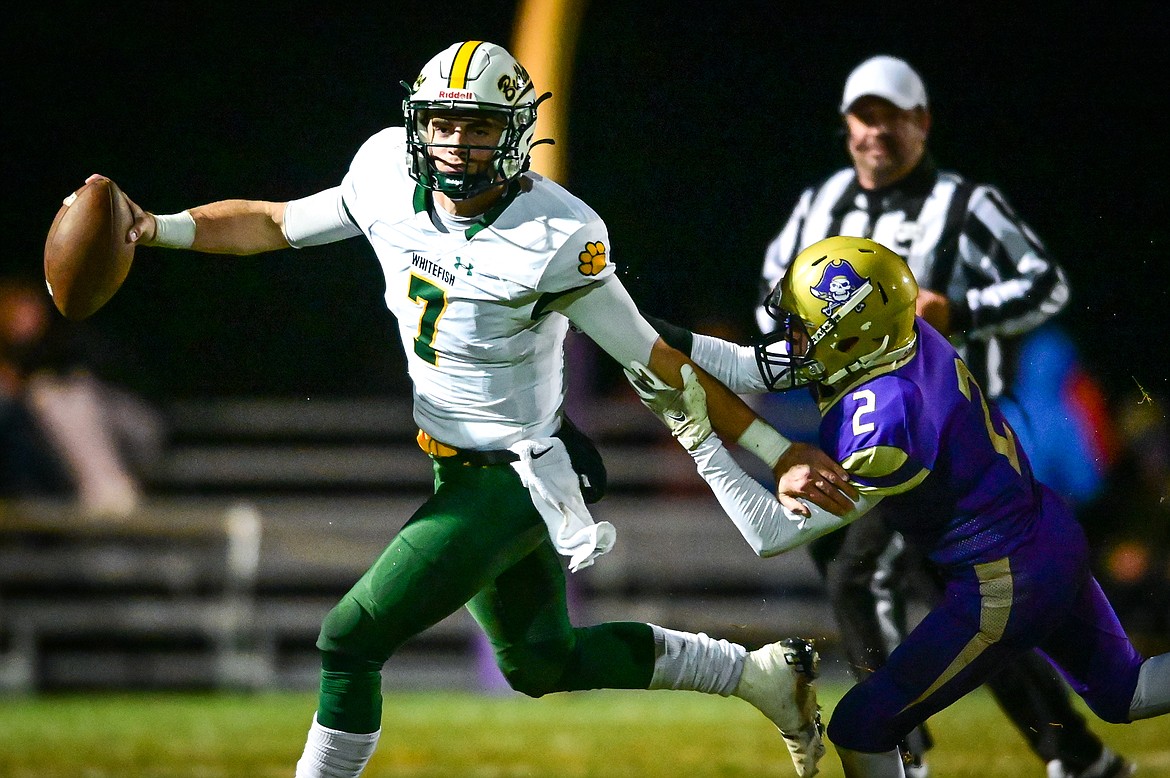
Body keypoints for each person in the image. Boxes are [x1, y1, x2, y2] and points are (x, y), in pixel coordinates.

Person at [91, 41, 860, 778]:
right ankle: (760, 677)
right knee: (539, 664)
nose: (457, 141)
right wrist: (152, 228)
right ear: (418, 123)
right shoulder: (386, 171)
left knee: (349, 640)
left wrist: (778, 450)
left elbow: (657, 361)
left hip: (519, 476)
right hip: (456, 468)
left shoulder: (560, 233)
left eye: (482, 124)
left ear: (518, 131)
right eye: (443, 122)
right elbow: (274, 222)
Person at [629, 235, 1170, 778]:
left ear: (847, 332)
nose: (790, 337)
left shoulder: (886, 422)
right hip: (1046, 530)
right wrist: (613, 313)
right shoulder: (898, 337)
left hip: (1003, 576)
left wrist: (694, 435)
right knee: (1126, 693)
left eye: (802, 324)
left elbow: (770, 534)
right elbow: (750, 366)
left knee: (860, 726)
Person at [750, 54, 1130, 778]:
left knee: (890, 584)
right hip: (871, 431)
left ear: (921, 122)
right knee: (955, 608)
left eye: (893, 115)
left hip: (944, 444)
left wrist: (962, 309)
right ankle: (1074, 753)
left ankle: (900, 749)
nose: (878, 131)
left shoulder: (967, 203)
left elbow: (1044, 284)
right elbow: (777, 299)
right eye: (865, 115)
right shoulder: (819, 203)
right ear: (846, 125)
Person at [0, 276, 164, 516]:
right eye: (17, 307)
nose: (27, 316)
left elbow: (145, 425)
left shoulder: (67, 339)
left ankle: (110, 492)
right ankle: (109, 495)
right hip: (43, 460)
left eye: (31, 305)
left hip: (124, 431)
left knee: (69, 393)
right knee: (47, 395)